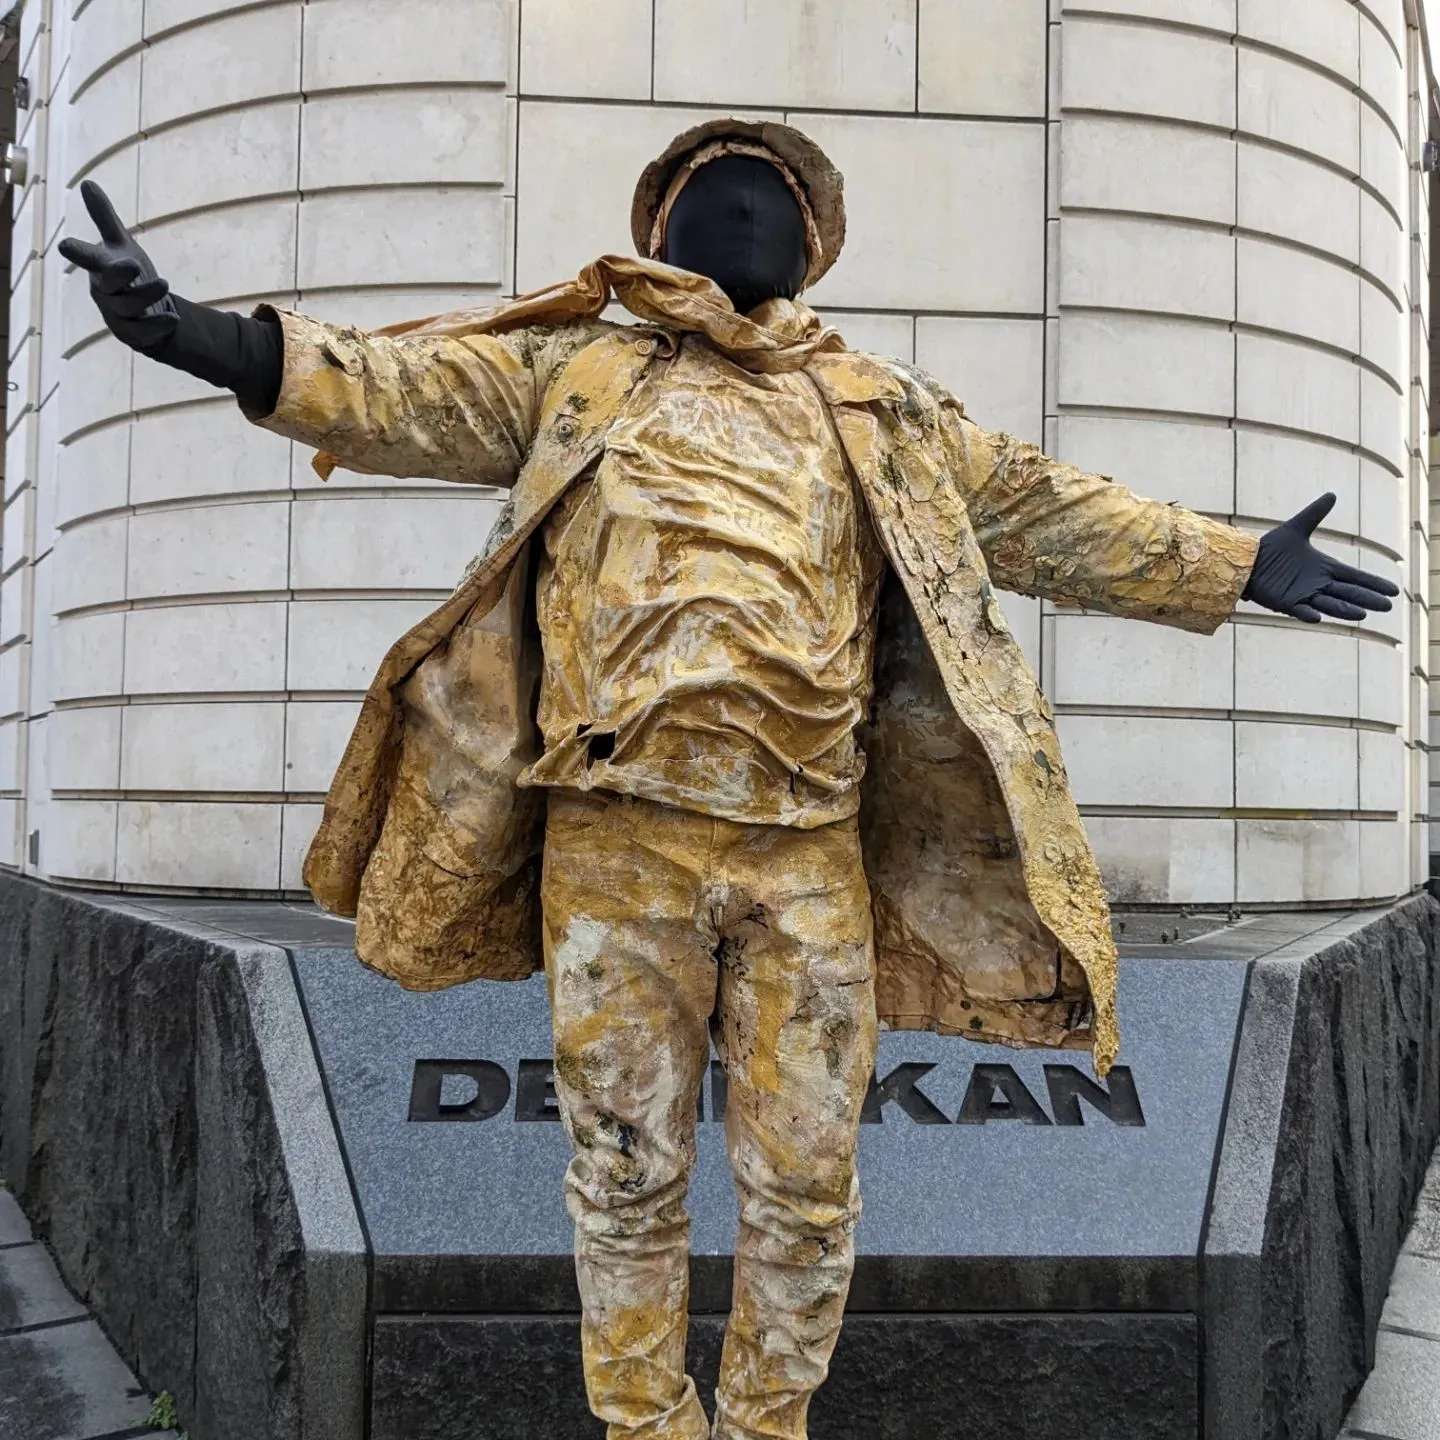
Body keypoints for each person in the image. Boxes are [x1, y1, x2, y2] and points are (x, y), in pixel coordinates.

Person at [61, 118, 1397, 1440]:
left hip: (805, 857)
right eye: (718, 191)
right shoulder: (578, 372)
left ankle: (767, 1429)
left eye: (774, 197)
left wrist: (1231, 560)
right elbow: (396, 389)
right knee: (626, 1173)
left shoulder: (885, 409)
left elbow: (1050, 511)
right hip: (613, 849)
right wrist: (197, 334)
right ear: (661, 230)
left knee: (809, 1186)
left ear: (814, 248)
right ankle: (645, 1428)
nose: (746, 209)